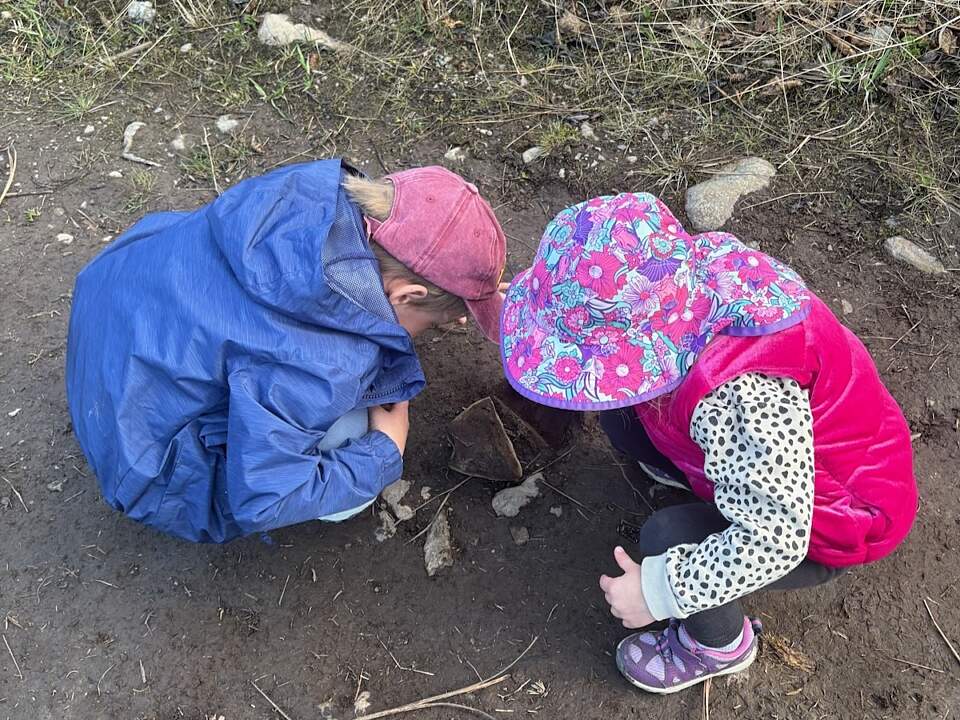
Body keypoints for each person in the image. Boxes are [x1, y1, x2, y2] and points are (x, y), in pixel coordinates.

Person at [498, 192, 916, 693]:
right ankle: (694, 493)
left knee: (665, 538)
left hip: (832, 520)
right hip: (777, 458)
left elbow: (778, 538)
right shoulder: (687, 277)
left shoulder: (738, 396)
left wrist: (657, 592)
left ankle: (719, 646)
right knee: (620, 420)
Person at [66, 160, 506, 543]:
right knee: (349, 470)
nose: (457, 324)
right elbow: (264, 499)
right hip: (143, 462)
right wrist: (385, 451)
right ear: (407, 294)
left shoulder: (309, 194)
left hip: (116, 312)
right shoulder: (327, 363)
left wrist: (465, 292)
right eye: (440, 321)